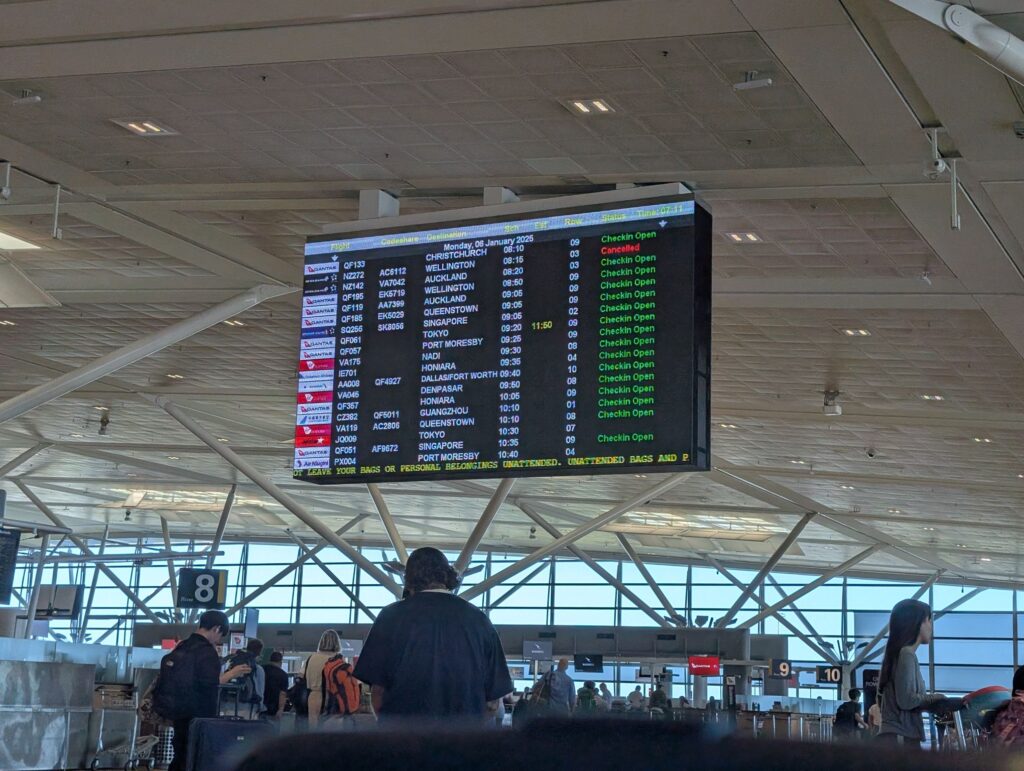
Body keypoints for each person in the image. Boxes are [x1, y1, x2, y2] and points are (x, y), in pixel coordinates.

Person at [353, 547, 512, 724]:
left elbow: (378, 693)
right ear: (448, 576)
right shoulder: (480, 621)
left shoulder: (390, 617)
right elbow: (492, 703)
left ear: (409, 580)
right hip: (464, 742)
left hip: (402, 740)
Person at [154, 610, 251, 771]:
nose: (218, 640)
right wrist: (231, 674)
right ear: (216, 629)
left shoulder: (182, 646)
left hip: (177, 713)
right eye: (220, 635)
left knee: (181, 756)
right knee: (196, 758)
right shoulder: (207, 653)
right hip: (199, 716)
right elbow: (210, 684)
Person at [877, 599, 945, 747]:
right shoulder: (906, 654)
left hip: (896, 737)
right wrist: (936, 698)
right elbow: (907, 700)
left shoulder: (899, 654)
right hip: (901, 738)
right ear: (918, 623)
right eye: (929, 620)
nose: (931, 627)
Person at [304, 629, 341, 728]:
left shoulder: (311, 658)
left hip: (313, 696)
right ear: (337, 642)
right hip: (332, 697)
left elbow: (301, 676)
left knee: (313, 729)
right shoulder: (338, 659)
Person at [227, 638, 266, 716]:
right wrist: (260, 707)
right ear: (260, 652)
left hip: (229, 705)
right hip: (249, 707)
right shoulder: (258, 669)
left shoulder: (235, 664)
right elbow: (260, 691)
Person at [263, 651, 289, 718]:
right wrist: (280, 709)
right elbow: (282, 694)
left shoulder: (262, 669)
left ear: (270, 660)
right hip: (273, 708)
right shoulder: (283, 675)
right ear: (281, 662)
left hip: (259, 705)